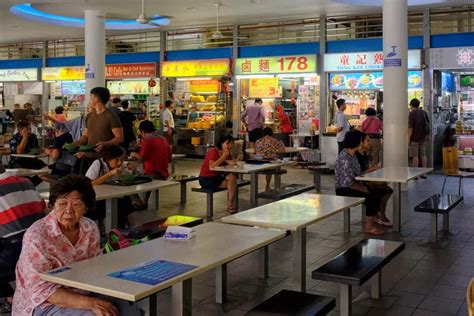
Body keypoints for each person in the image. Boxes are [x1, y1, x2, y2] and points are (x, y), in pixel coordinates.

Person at [12, 174, 141, 315]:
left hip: (85, 291)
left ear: (85, 207)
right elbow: (41, 291)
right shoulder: (37, 235)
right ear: (52, 205)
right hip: (43, 302)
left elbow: (96, 267)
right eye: (62, 204)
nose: (68, 210)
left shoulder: (89, 228)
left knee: (129, 307)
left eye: (76, 204)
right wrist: (91, 304)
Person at [0, 165, 46, 313]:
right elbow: (43, 208)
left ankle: (12, 297)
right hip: (43, 245)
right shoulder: (26, 182)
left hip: (17, 252)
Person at [335, 130, 384, 235]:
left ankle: (373, 219)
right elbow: (347, 182)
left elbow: (357, 174)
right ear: (356, 142)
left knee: (378, 192)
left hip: (352, 185)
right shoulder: (344, 157)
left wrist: (369, 171)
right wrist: (362, 188)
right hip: (343, 189)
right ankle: (368, 227)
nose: (362, 143)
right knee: (371, 197)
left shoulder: (352, 155)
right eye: (361, 140)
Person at [73, 87, 123, 174]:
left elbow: (119, 138)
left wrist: (105, 144)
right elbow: (85, 136)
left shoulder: (111, 116)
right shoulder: (89, 116)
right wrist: (74, 144)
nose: (89, 100)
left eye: (91, 96)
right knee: (83, 183)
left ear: (96, 99)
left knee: (100, 186)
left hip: (104, 159)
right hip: (87, 157)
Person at [85, 145, 135, 228]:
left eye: (122, 159)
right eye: (117, 160)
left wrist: (131, 169)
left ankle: (130, 227)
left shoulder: (120, 165)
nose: (120, 163)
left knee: (126, 200)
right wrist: (109, 174)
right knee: (120, 205)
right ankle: (115, 231)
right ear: (108, 159)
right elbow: (88, 184)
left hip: (111, 196)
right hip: (97, 200)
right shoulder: (98, 164)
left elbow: (126, 171)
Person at [354, 131, 393, 227]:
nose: (369, 143)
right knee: (379, 191)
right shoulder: (356, 156)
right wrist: (371, 170)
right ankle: (378, 216)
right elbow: (357, 175)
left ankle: (378, 215)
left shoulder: (365, 155)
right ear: (361, 143)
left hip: (365, 181)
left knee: (387, 189)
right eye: (367, 141)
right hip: (359, 184)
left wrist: (372, 170)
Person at [199, 135, 238, 213]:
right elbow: (211, 166)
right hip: (206, 179)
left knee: (232, 178)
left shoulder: (227, 153)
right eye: (228, 143)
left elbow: (232, 162)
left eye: (231, 143)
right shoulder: (214, 152)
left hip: (217, 177)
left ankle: (230, 203)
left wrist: (237, 159)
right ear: (221, 144)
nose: (230, 146)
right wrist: (223, 157)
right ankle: (230, 205)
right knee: (232, 183)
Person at [9, 120, 47, 186]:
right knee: (20, 174)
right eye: (27, 130)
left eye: (30, 129)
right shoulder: (14, 139)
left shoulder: (33, 137)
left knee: (46, 170)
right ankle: (28, 184)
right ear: (19, 131)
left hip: (32, 160)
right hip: (18, 161)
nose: (29, 131)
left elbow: (36, 149)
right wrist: (25, 137)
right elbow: (19, 151)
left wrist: (40, 150)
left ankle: (31, 184)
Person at [255, 127, 285, 192]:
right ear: (272, 133)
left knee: (271, 165)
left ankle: (267, 186)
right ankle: (275, 186)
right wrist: (276, 148)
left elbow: (256, 151)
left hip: (259, 162)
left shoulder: (258, 141)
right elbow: (282, 150)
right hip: (270, 162)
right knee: (278, 165)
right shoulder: (274, 140)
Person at [408, 98, 429, 171]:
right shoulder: (424, 112)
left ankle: (415, 174)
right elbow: (427, 125)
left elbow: (411, 128)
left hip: (414, 138)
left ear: (411, 105)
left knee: (415, 156)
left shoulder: (412, 113)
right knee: (423, 155)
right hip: (423, 137)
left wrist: (408, 138)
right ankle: (424, 173)